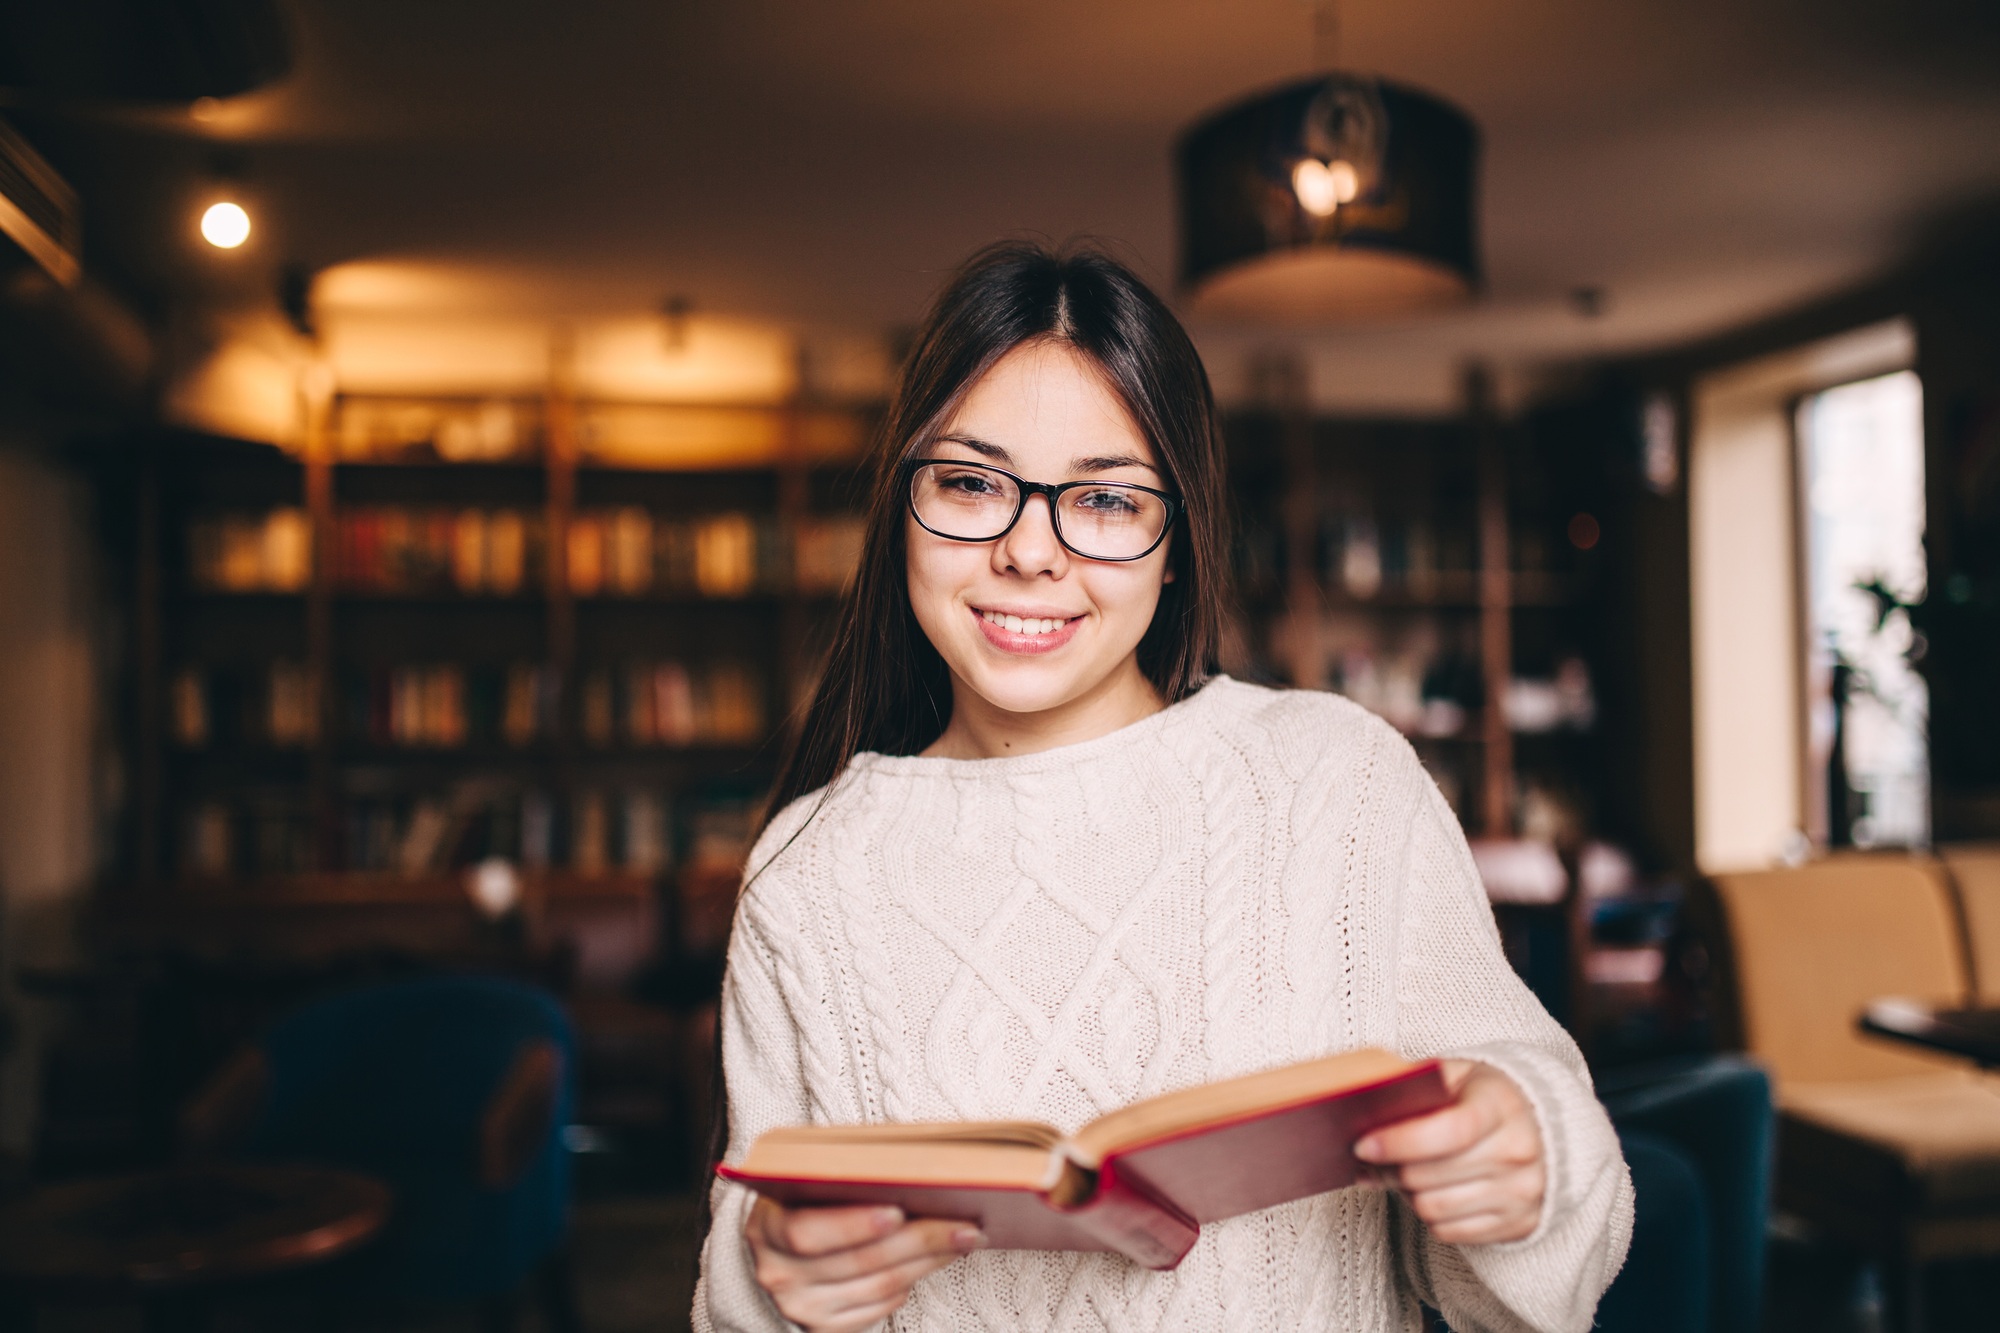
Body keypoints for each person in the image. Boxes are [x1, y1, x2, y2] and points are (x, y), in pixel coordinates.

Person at [693, 242, 1633, 1333]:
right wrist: (775, 1280)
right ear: (903, 506)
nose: (1029, 552)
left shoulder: (1338, 785)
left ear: (1177, 539)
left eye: (1103, 498)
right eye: (970, 483)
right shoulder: (809, 874)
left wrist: (1524, 1167)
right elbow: (746, 1279)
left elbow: (1536, 1259)